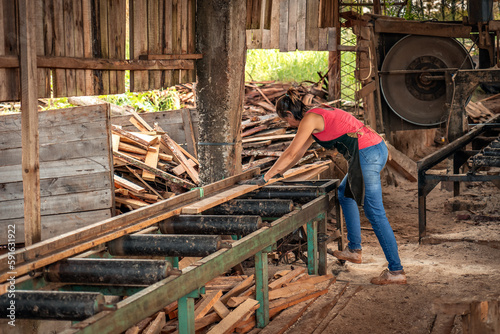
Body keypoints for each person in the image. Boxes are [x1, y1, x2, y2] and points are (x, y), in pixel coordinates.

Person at [255, 87, 406, 285]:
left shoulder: (309, 119)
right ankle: (354, 250)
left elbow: (290, 153)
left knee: (375, 212)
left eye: (286, 120)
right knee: (345, 194)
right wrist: (279, 172)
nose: (288, 124)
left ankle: (396, 271)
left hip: (367, 153)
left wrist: (266, 177)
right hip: (371, 150)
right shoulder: (315, 116)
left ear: (290, 114)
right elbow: (298, 153)